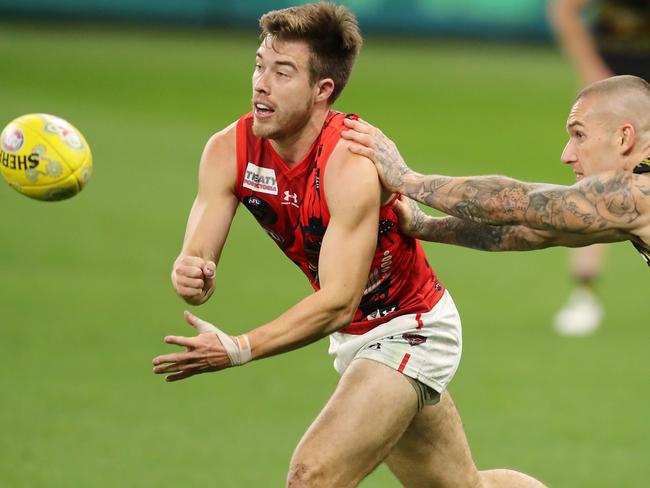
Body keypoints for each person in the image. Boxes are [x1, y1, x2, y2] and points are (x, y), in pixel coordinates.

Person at [152, 3, 548, 487]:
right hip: (357, 340)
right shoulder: (226, 150)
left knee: (312, 475)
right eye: (259, 65)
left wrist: (237, 348)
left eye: (283, 72)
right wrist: (191, 272)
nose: (261, 83)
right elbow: (196, 261)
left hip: (410, 327)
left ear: (323, 90)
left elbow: (338, 302)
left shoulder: (349, 162)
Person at [341, 75, 650, 268]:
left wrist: (406, 179)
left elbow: (513, 203)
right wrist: (425, 226)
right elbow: (535, 230)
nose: (566, 155)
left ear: (624, 137)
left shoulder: (636, 193)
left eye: (579, 135)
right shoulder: (627, 204)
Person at [547, 0, 650, 335]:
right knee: (597, 185)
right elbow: (564, 9)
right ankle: (584, 293)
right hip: (617, 88)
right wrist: (592, 69)